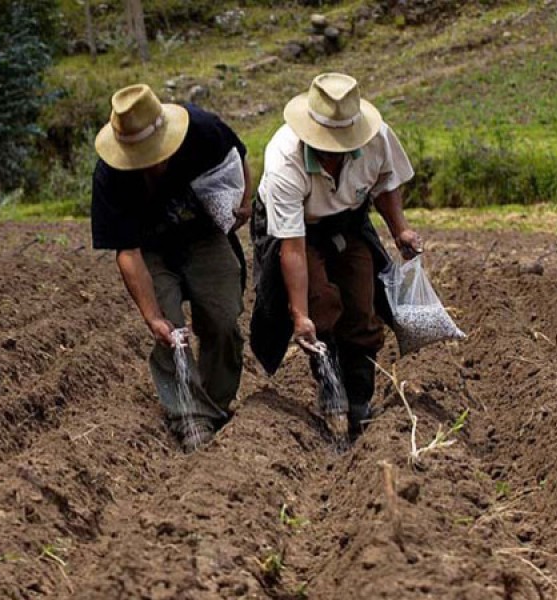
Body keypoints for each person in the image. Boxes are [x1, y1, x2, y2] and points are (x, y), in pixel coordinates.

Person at [251, 72, 423, 440]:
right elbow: (293, 248)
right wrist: (299, 315)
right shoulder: (285, 158)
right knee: (320, 303)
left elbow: (385, 182)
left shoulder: (377, 138)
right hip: (297, 229)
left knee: (363, 305)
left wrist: (400, 230)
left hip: (347, 219)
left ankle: (360, 401)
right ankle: (331, 388)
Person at [91, 84, 252, 452]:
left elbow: (237, 157)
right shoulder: (110, 175)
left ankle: (214, 404)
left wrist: (243, 201)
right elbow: (128, 254)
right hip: (151, 249)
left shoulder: (203, 129)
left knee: (224, 319)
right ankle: (188, 415)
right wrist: (152, 317)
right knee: (171, 330)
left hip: (204, 235)